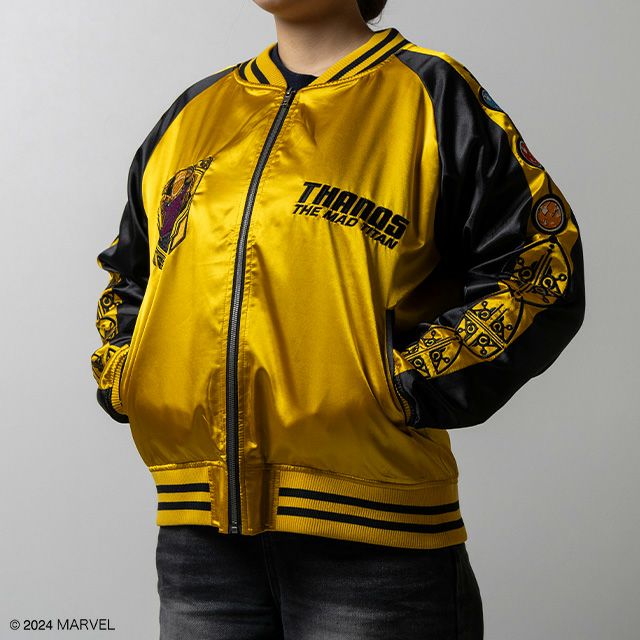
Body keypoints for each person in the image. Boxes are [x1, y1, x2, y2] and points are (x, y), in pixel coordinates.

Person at [90, 0, 586, 638]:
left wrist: (400, 386)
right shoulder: (197, 111)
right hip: (199, 542)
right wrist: (129, 377)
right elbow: (132, 272)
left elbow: (540, 262)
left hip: (377, 544)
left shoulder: (430, 93)